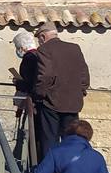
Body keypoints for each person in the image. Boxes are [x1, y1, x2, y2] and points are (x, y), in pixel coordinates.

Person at [32, 22, 89, 157]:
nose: (39, 42)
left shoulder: (44, 50)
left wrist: (39, 94)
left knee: (49, 141)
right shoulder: (75, 48)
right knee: (71, 140)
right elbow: (84, 74)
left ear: (43, 36)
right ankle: (69, 170)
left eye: (39, 39)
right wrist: (81, 91)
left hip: (52, 102)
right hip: (73, 103)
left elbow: (45, 75)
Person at [10, 30, 40, 161]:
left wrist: (18, 82)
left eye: (17, 48)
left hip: (29, 99)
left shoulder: (28, 58)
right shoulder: (39, 55)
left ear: (22, 48)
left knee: (27, 131)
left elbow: (28, 81)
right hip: (35, 99)